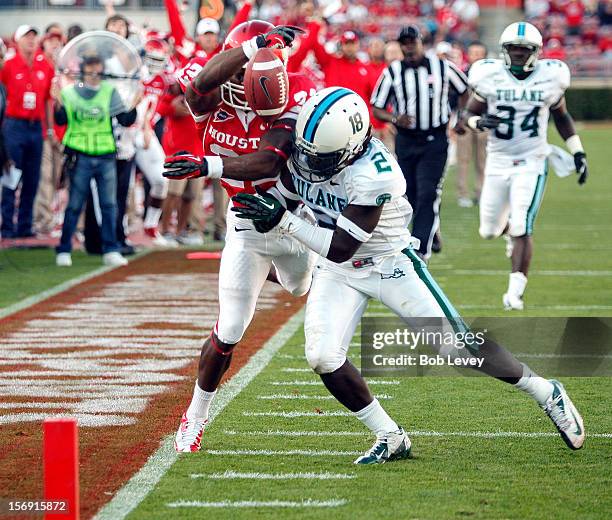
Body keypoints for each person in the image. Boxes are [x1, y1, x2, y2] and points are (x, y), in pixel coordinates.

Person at [231, 87, 585, 463]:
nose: (312, 164)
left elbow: (339, 245)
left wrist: (283, 221)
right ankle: (390, 435)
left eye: (325, 157)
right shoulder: (308, 146)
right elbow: (285, 200)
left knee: (457, 347)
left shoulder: (375, 173)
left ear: (353, 145)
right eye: (308, 153)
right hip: (337, 271)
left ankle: (546, 391)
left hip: (388, 262)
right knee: (322, 356)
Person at [163, 21, 318, 453]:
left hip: (293, 221)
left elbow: (267, 162)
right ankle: (195, 415)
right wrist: (252, 47)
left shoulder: (296, 91)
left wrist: (207, 166)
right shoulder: (214, 97)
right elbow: (199, 84)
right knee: (230, 325)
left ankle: (275, 271)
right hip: (246, 225)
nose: (244, 82)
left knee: (300, 286)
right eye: (241, 69)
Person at [462, 22, 588, 310]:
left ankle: (515, 291)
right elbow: (466, 114)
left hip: (532, 160)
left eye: (524, 49)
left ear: (536, 52)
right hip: (498, 160)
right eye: (513, 48)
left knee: (522, 223)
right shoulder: (489, 75)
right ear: (504, 50)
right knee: (488, 231)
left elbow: (562, 116)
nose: (518, 53)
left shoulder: (549, 78)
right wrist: (476, 123)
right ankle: (510, 234)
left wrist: (577, 151)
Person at [371, 25, 468, 260]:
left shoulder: (441, 66)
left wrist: (461, 116)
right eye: (404, 43)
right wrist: (395, 118)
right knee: (411, 193)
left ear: (420, 42)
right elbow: (376, 106)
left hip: (435, 139)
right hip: (406, 139)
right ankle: (430, 231)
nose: (408, 47)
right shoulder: (392, 71)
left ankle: (421, 249)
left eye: (412, 42)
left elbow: (465, 90)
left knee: (428, 192)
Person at [53, 54, 136, 267]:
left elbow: (124, 120)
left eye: (98, 67)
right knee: (74, 205)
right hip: (80, 156)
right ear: (83, 70)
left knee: (109, 205)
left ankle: (111, 249)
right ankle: (64, 249)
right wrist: (57, 102)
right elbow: (60, 120)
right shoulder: (69, 93)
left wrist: (134, 103)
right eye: (90, 67)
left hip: (105, 155)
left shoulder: (109, 92)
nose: (95, 72)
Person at [0, 25, 52, 239]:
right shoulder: (8, 66)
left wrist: (48, 128)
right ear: (17, 40)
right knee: (12, 177)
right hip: (14, 125)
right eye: (26, 37)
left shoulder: (45, 65)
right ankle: (8, 227)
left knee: (32, 178)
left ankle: (25, 225)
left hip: (35, 126)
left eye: (34, 36)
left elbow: (49, 98)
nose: (31, 40)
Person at [33, 31, 65, 236]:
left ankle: (53, 219)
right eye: (51, 41)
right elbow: (45, 102)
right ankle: (43, 220)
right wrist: (51, 130)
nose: (54, 45)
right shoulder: (40, 66)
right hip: (46, 131)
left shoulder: (65, 68)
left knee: (56, 178)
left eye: (58, 41)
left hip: (65, 133)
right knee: (44, 177)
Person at [456, 41, 488, 208]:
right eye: (473, 53)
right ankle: (462, 193)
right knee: (463, 159)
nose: (475, 56)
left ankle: (481, 192)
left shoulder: (490, 75)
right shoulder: (462, 74)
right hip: (465, 122)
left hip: (484, 122)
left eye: (479, 53)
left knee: (483, 160)